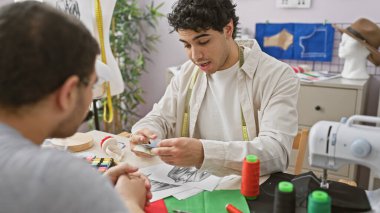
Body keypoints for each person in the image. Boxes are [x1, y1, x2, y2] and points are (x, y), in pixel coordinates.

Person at [0, 2, 150, 213]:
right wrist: (128, 201)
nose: (92, 94)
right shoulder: (56, 175)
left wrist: (90, 194)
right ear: (68, 93)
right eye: (92, 83)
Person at [130, 0, 300, 177]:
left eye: (203, 42)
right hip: (193, 186)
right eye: (187, 45)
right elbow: (160, 118)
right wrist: (145, 134)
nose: (195, 56)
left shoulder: (277, 76)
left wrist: (204, 153)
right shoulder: (187, 72)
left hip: (246, 190)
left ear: (228, 29)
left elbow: (276, 153)